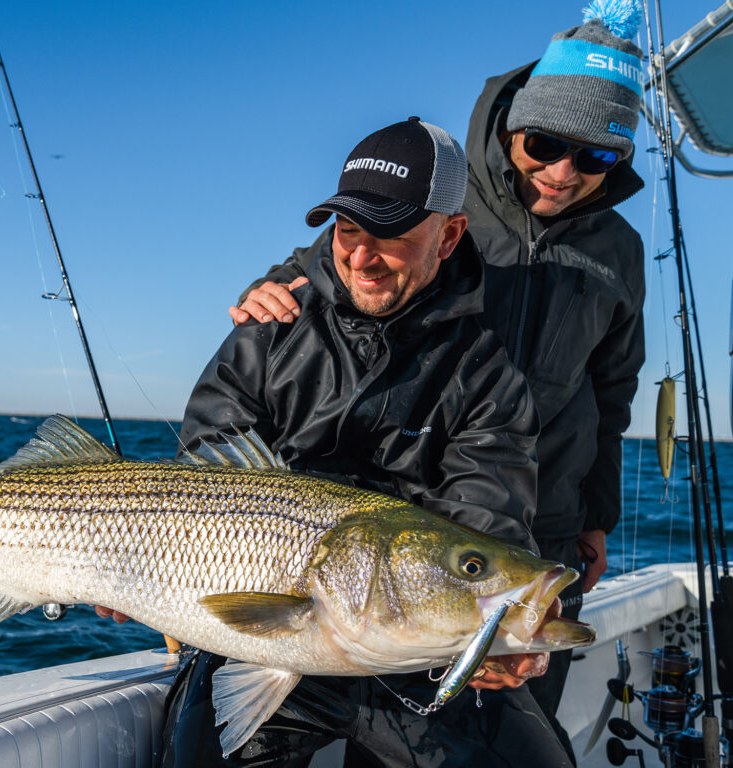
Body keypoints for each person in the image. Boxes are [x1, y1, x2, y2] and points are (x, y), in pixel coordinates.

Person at [229, 7, 646, 752]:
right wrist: (268, 288)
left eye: (596, 160)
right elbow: (336, 256)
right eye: (545, 145)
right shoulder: (447, 204)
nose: (561, 173)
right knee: (389, 717)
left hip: (540, 526)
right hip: (423, 521)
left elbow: (611, 394)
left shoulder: (621, 251)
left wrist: (596, 515)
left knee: (509, 714)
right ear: (513, 126)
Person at [161, 118, 573, 767]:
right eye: (349, 230)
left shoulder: (486, 377)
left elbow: (484, 520)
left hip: (413, 652)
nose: (361, 255)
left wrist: (497, 630)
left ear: (450, 235)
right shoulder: (267, 331)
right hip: (263, 630)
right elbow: (203, 479)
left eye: (391, 235)